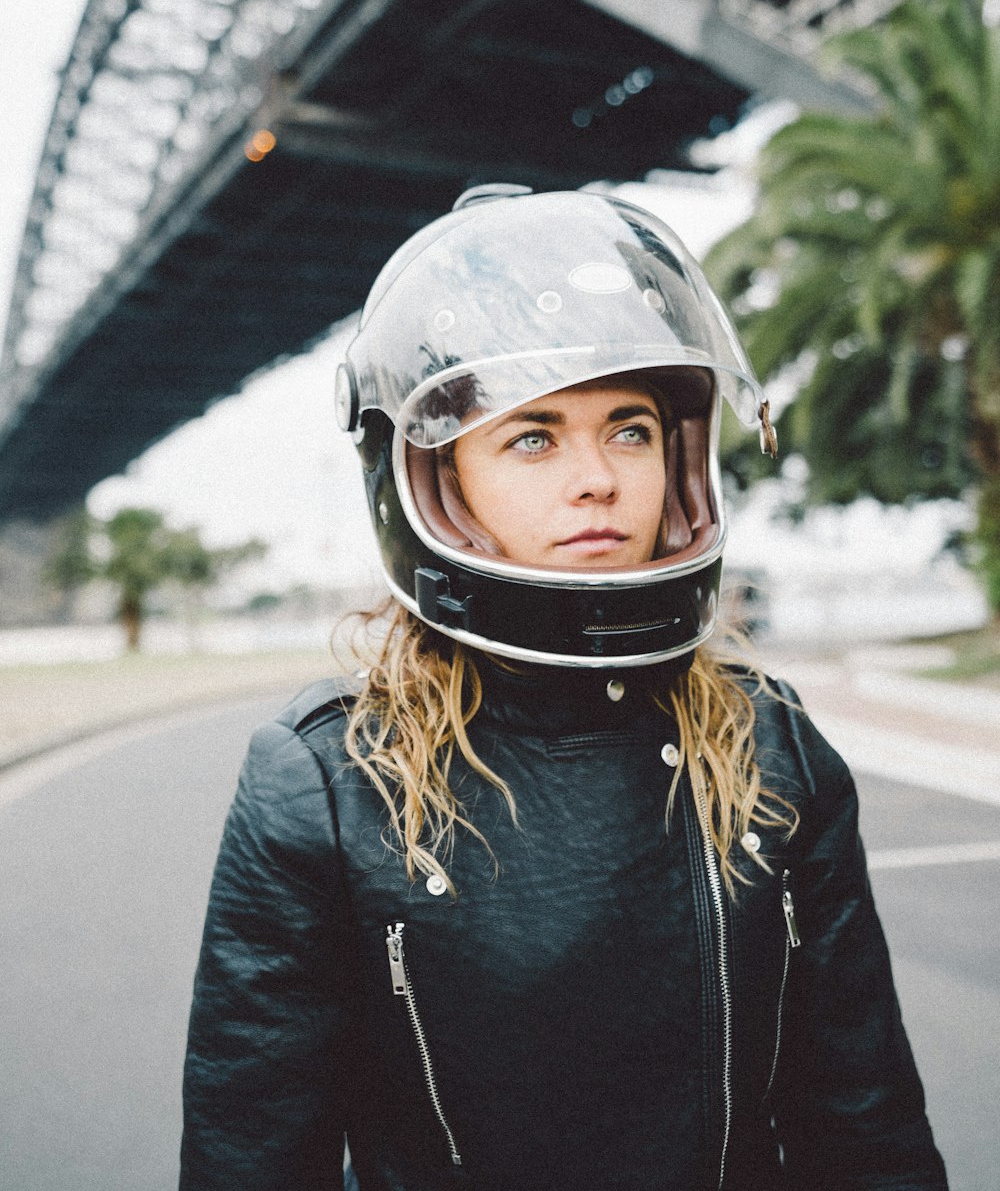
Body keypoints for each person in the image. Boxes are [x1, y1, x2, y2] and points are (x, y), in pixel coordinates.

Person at [180, 186, 948, 1190]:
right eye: (532, 436)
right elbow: (253, 1158)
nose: (596, 477)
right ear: (436, 481)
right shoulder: (328, 782)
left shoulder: (771, 747)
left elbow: (865, 1126)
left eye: (628, 430)